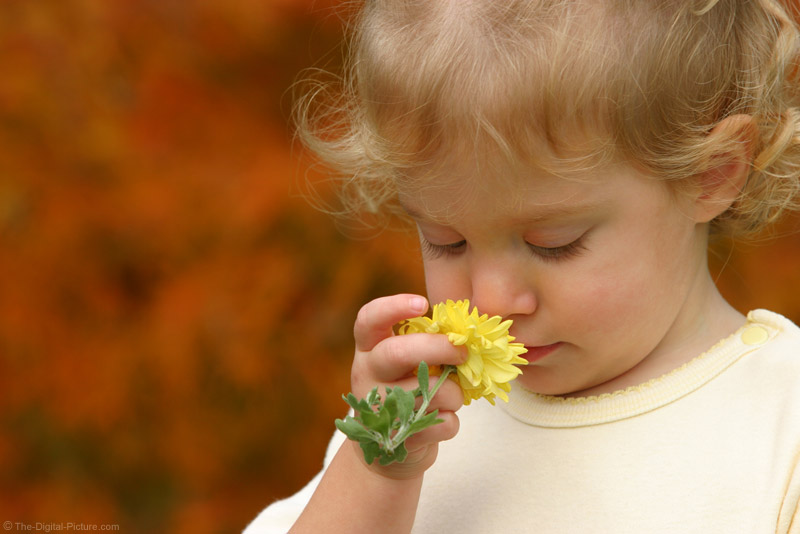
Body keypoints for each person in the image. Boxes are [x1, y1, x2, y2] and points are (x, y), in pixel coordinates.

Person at [247, 0, 800, 532]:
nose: (488, 298)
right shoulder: (411, 430)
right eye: (447, 241)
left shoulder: (781, 429)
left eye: (552, 243)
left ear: (712, 174)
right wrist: (375, 466)